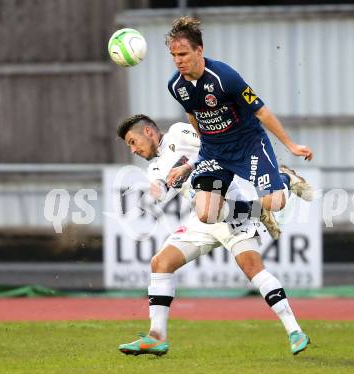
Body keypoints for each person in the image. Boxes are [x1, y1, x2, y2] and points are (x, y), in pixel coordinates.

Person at [115, 114, 310, 356]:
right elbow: (162, 190)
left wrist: (188, 166)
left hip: (227, 205)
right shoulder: (154, 167)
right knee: (160, 263)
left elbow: (212, 145)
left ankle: (295, 331)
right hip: (202, 218)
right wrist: (155, 190)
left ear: (148, 132)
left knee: (253, 269)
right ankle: (156, 336)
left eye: (133, 142)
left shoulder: (178, 132)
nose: (133, 150)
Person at [165, 16, 314, 228]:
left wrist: (291, 145)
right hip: (215, 153)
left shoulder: (225, 77)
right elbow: (193, 114)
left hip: (247, 146)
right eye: (173, 55)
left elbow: (261, 112)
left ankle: (286, 179)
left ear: (199, 51)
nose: (178, 60)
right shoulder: (175, 85)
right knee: (207, 213)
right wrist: (203, 150)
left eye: (183, 54)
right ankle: (256, 213)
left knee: (274, 202)